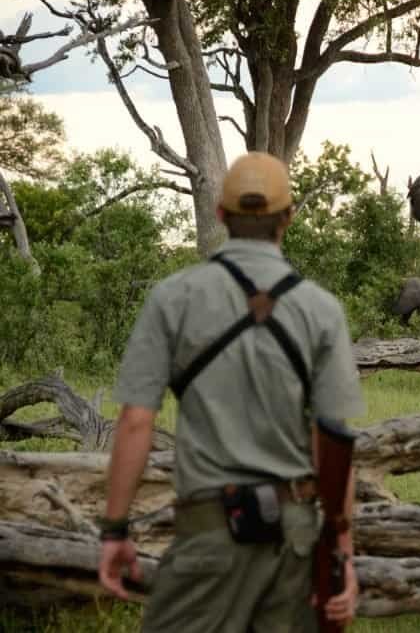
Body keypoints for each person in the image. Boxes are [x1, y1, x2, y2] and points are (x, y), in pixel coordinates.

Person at [97, 152, 366, 631]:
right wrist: (342, 553)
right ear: (289, 218)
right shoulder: (322, 311)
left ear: (220, 215)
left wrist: (116, 530)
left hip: (208, 537)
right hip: (295, 539)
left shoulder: (173, 297)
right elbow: (333, 439)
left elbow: (136, 421)